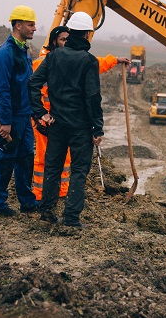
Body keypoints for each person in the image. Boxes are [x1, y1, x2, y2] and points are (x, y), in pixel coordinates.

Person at [31, 25, 129, 200]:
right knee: (44, 160)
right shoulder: (43, 62)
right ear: (54, 41)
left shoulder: (66, 59)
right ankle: (40, 194)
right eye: (62, 39)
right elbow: (32, 88)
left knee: (63, 160)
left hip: (58, 119)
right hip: (45, 120)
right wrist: (39, 115)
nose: (65, 42)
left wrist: (115, 60)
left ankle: (61, 192)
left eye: (66, 39)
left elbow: (93, 63)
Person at [29, 11, 103, 233]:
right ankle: (71, 220)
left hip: (57, 124)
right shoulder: (89, 61)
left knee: (53, 168)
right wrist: (97, 127)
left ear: (69, 31)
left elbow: (33, 83)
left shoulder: (53, 57)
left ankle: (47, 215)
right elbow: (92, 97)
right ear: (88, 34)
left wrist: (41, 113)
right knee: (79, 172)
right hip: (80, 128)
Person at [0, 5, 38, 217]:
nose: (34, 28)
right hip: (12, 118)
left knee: (26, 158)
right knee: (5, 159)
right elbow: (2, 91)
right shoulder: (5, 54)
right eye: (30, 24)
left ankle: (27, 201)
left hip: (25, 117)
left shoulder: (23, 51)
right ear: (18, 25)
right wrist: (5, 122)